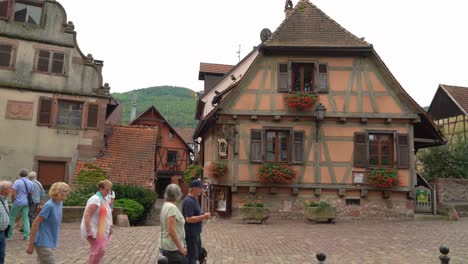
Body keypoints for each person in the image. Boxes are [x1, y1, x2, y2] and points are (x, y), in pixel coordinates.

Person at [26, 182, 69, 263]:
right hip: (42, 242)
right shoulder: (49, 206)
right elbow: (35, 223)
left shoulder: (60, 203)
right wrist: (31, 245)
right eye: (65, 191)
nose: (67, 193)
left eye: (67, 191)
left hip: (50, 241)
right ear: (57, 192)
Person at [81, 180, 113, 264]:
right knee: (100, 251)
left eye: (109, 190)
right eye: (106, 190)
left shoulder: (103, 199)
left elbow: (107, 215)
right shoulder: (96, 199)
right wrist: (89, 230)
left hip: (98, 229)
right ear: (100, 189)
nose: (108, 192)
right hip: (93, 229)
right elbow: (87, 215)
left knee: (96, 251)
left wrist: (110, 227)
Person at [182, 180, 210, 264]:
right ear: (194, 189)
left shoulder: (194, 199)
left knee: (198, 252)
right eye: (200, 188)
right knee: (192, 256)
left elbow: (195, 213)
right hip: (191, 233)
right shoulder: (188, 201)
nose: (201, 190)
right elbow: (189, 219)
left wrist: (203, 214)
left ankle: (202, 260)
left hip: (196, 232)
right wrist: (203, 217)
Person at [159, 184, 187, 264]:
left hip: (165, 245)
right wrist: (181, 248)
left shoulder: (165, 205)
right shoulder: (172, 208)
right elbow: (171, 230)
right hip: (172, 248)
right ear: (177, 194)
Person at [7, 168, 33, 240]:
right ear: (27, 174)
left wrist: (13, 200)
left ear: (19, 174)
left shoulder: (17, 182)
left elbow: (13, 193)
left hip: (18, 202)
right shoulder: (30, 182)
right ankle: (26, 235)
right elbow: (31, 193)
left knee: (12, 218)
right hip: (26, 202)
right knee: (26, 218)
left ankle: (9, 235)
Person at [0, 181, 12, 264]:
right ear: (4, 190)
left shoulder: (5, 200)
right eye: (10, 188)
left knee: (2, 255)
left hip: (3, 232)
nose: (11, 190)